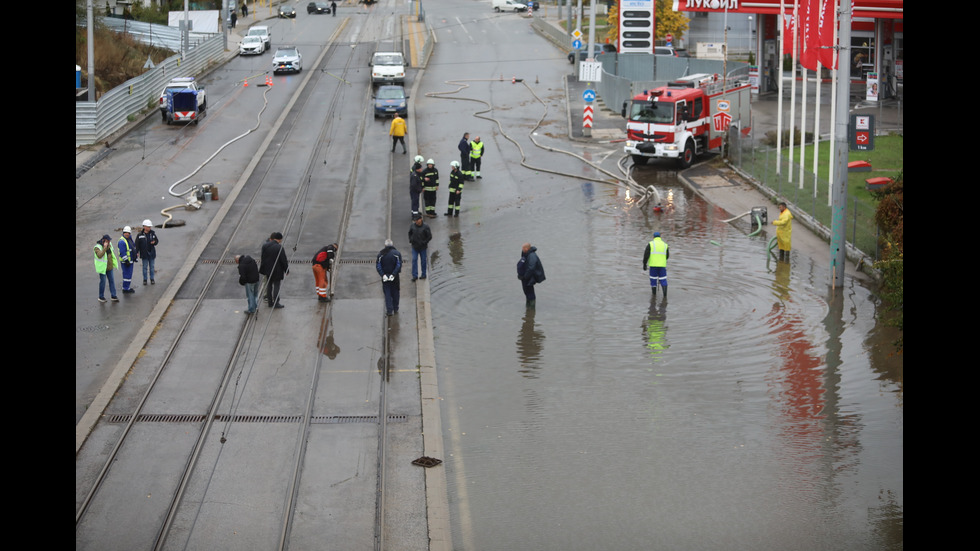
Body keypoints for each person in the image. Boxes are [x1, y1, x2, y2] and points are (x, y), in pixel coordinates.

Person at [260, 232, 289, 309]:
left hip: (267, 269)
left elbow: (262, 258)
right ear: (279, 239)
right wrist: (286, 270)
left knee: (269, 285)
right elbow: (283, 260)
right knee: (276, 286)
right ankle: (276, 302)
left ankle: (270, 302)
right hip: (277, 270)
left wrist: (263, 269)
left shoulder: (265, 246)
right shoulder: (279, 247)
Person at [376, 239, 402, 316]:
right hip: (395, 277)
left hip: (385, 276)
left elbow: (378, 266)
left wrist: (383, 275)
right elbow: (398, 265)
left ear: (385, 245)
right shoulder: (397, 253)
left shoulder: (380, 254)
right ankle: (395, 308)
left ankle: (389, 310)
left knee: (387, 293)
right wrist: (393, 274)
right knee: (396, 292)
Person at [517, 243, 545, 308]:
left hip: (528, 277)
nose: (522, 250)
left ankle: (531, 310)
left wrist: (525, 276)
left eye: (523, 248)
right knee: (527, 292)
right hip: (525, 277)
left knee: (530, 292)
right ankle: (528, 308)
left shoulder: (532, 256)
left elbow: (531, 267)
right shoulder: (527, 254)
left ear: (526, 248)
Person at [642, 231, 669, 297]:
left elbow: (646, 255)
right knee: (663, 280)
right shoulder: (665, 245)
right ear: (660, 237)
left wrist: (644, 264)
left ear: (653, 237)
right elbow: (667, 256)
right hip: (662, 266)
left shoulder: (651, 244)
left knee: (653, 280)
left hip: (653, 265)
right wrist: (662, 261)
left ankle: (654, 295)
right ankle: (665, 296)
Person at [94, 234, 119, 303]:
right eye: (107, 241)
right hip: (102, 268)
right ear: (104, 240)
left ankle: (113, 295)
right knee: (103, 282)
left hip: (109, 267)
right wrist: (105, 248)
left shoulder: (109, 244)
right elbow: (99, 255)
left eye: (109, 240)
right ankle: (101, 296)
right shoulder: (97, 247)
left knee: (112, 281)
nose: (109, 242)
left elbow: (112, 254)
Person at [408, 214, 432, 281]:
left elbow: (429, 236)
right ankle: (414, 275)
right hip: (414, 247)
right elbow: (410, 233)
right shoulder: (412, 226)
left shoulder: (426, 227)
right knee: (414, 260)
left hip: (422, 247)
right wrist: (411, 240)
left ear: (421, 219)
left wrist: (424, 242)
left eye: (417, 220)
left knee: (423, 261)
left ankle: (423, 274)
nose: (416, 222)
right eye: (415, 220)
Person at [135, 219, 159, 285]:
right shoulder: (140, 235)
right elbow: (137, 245)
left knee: (152, 267)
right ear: (144, 227)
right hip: (144, 254)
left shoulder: (152, 234)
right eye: (148, 227)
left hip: (151, 254)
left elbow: (157, 241)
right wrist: (136, 252)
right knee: (145, 267)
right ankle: (145, 280)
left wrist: (154, 242)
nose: (149, 228)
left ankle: (152, 279)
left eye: (150, 227)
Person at [117, 226, 137, 294]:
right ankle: (125, 289)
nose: (127, 234)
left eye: (128, 233)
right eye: (126, 233)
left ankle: (127, 287)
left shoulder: (129, 239)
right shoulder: (122, 241)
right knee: (127, 275)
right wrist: (126, 261)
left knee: (129, 275)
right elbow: (122, 252)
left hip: (130, 261)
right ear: (123, 233)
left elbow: (133, 247)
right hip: (126, 262)